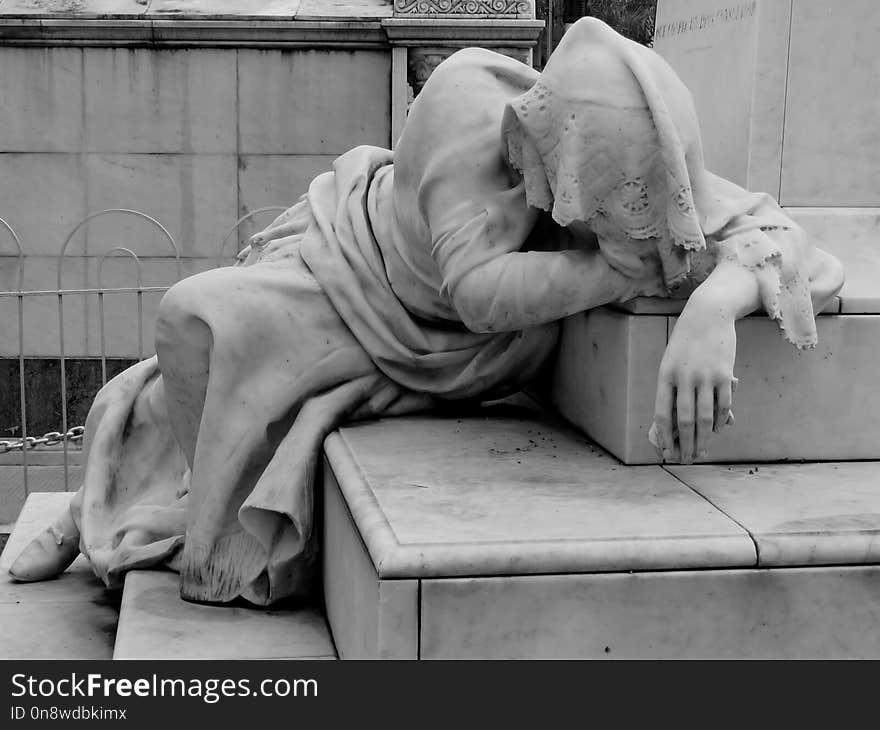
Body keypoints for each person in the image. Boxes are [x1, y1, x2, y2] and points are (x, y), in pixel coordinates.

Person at [8, 18, 844, 605]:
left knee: (244, 371)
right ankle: (102, 510)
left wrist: (716, 310)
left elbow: (786, 241)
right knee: (194, 319)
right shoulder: (462, 99)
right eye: (600, 212)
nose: (602, 228)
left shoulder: (611, 152)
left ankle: (133, 508)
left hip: (464, 352)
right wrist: (612, 274)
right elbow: (479, 292)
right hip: (356, 271)